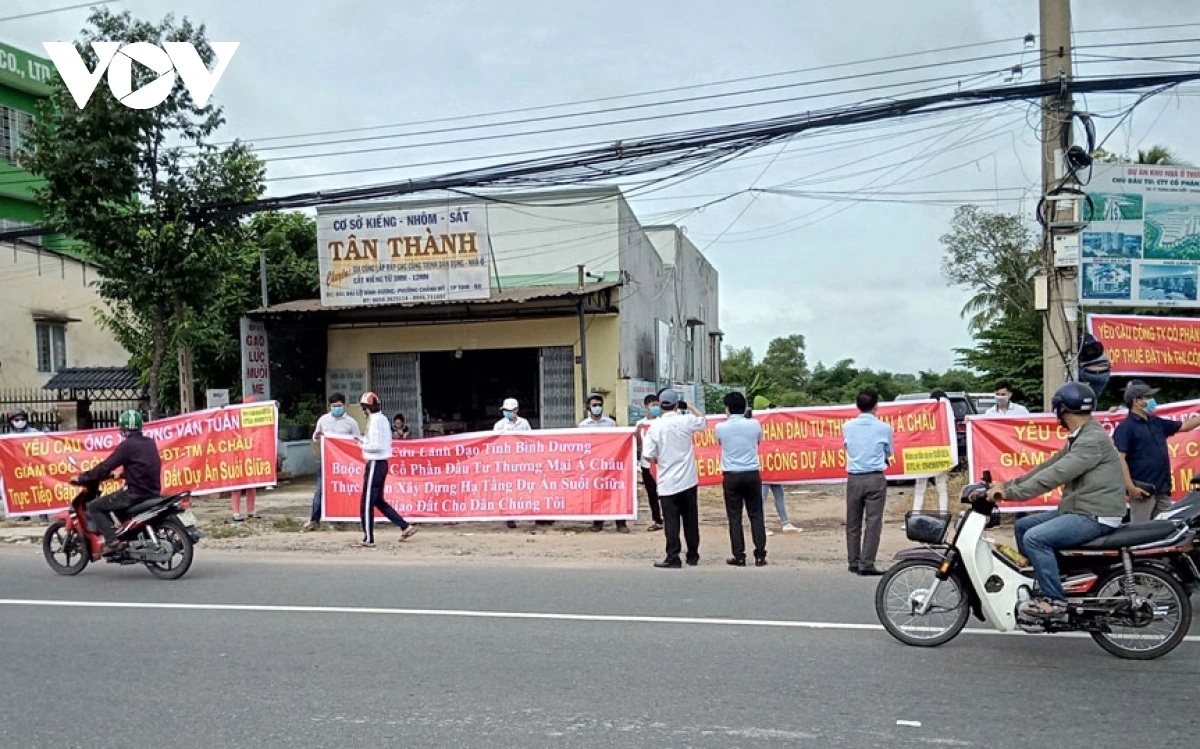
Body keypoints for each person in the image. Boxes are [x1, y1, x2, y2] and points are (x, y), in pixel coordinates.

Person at [990, 381, 1126, 618]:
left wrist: (1011, 494)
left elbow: (1056, 475)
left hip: (1095, 514)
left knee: (1035, 539)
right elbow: (1048, 466)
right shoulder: (1083, 435)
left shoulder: (1091, 440)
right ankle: (1050, 580)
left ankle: (1056, 601)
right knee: (1023, 526)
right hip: (1080, 508)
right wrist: (1007, 486)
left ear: (1062, 409)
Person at [76, 410, 161, 554]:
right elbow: (144, 466)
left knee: (93, 506)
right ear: (141, 427)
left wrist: (83, 478)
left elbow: (105, 467)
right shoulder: (149, 442)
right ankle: (128, 538)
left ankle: (112, 541)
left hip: (135, 493)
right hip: (152, 491)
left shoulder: (127, 446)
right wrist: (122, 474)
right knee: (116, 507)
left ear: (122, 429)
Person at [1114, 380, 1200, 522]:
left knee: (1167, 527)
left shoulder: (1156, 422)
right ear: (1136, 401)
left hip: (1162, 488)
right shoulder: (1126, 428)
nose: (1152, 400)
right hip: (1142, 490)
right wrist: (1130, 487)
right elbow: (1120, 458)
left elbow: (1185, 426)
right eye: (1147, 397)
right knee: (1140, 531)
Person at [643, 389, 707, 568]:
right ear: (677, 405)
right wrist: (692, 407)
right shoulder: (686, 420)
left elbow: (648, 455)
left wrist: (660, 459)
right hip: (688, 480)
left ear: (660, 406)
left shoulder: (655, 426)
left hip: (667, 482)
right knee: (690, 519)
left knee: (671, 521)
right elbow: (702, 421)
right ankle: (693, 555)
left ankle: (673, 556)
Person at [355, 391, 417, 547]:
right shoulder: (382, 419)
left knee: (367, 502)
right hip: (381, 463)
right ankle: (404, 526)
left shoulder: (375, 421)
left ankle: (368, 538)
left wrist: (362, 445)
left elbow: (376, 445)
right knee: (378, 501)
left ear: (366, 407)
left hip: (375, 462)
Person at [843, 388, 894, 576]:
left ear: (858, 405)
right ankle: (867, 562)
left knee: (853, 521)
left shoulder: (847, 427)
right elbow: (889, 451)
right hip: (875, 477)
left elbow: (847, 446)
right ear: (875, 406)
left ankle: (853, 561)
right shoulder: (884, 428)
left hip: (854, 478)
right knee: (873, 522)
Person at [715, 391, 767, 567]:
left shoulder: (720, 427)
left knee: (735, 516)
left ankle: (739, 555)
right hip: (752, 472)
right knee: (756, 515)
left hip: (731, 475)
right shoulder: (755, 424)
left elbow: (721, 443)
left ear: (728, 409)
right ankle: (760, 554)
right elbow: (758, 441)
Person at [304, 393, 362, 532]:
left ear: (345, 405)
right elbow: (315, 437)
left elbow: (357, 441)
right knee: (320, 491)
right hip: (326, 461)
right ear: (329, 406)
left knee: (344, 489)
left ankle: (344, 517)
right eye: (334, 406)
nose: (337, 408)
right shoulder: (323, 420)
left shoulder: (351, 422)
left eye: (339, 406)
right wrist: (318, 436)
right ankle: (314, 520)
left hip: (344, 464)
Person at [580, 393, 627, 533]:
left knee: (616, 492)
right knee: (597, 493)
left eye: (600, 405)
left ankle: (621, 523)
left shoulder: (610, 423)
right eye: (594, 405)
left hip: (612, 463)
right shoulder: (583, 426)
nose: (597, 408)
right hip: (595, 465)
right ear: (588, 407)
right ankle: (598, 522)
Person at [753, 399, 801, 536]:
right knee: (761, 497)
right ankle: (762, 525)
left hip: (774, 464)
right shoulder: (757, 423)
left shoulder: (774, 422)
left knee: (779, 494)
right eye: (768, 408)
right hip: (763, 464)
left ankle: (785, 523)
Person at [494, 398, 542, 528]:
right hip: (506, 462)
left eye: (510, 410)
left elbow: (530, 441)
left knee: (526, 488)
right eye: (505, 410)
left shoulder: (524, 423)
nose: (507, 413)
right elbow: (495, 445)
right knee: (509, 490)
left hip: (522, 462)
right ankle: (510, 516)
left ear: (516, 410)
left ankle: (534, 514)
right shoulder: (499, 425)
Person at [911, 390, 951, 515]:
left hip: (924, 455)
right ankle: (943, 515)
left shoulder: (923, 415)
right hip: (941, 454)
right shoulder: (948, 415)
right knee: (941, 486)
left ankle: (915, 515)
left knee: (920, 487)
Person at [6, 409, 49, 524]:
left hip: (33, 467)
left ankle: (43, 515)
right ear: (11, 421)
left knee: (39, 491)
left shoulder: (33, 432)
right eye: (17, 420)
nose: (20, 421)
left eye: (22, 419)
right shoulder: (9, 437)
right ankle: (24, 514)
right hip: (19, 469)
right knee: (22, 491)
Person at [635, 393, 663, 532]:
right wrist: (637, 431)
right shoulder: (641, 423)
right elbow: (638, 444)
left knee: (665, 492)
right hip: (646, 464)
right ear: (646, 406)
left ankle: (669, 517)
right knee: (652, 493)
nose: (656, 408)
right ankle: (657, 519)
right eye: (653, 405)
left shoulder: (663, 422)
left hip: (662, 463)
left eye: (658, 405)